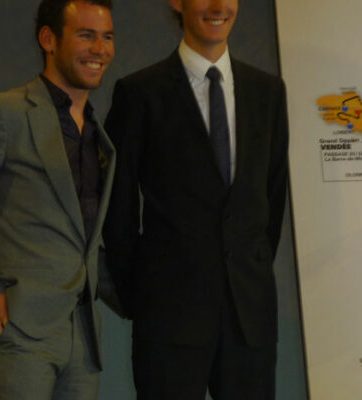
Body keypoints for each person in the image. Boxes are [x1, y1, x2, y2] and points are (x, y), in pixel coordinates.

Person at [0, 0, 115, 398]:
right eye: (86, 35)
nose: (100, 49)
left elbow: (86, 241)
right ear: (49, 39)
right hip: (16, 332)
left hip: (82, 340)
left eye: (107, 37)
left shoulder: (99, 135)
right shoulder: (4, 113)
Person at [102, 0, 289, 398]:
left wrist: (249, 269)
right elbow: (117, 211)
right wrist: (141, 296)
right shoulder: (139, 93)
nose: (219, 6)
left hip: (249, 319)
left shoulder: (268, 92)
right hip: (167, 319)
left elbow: (271, 203)